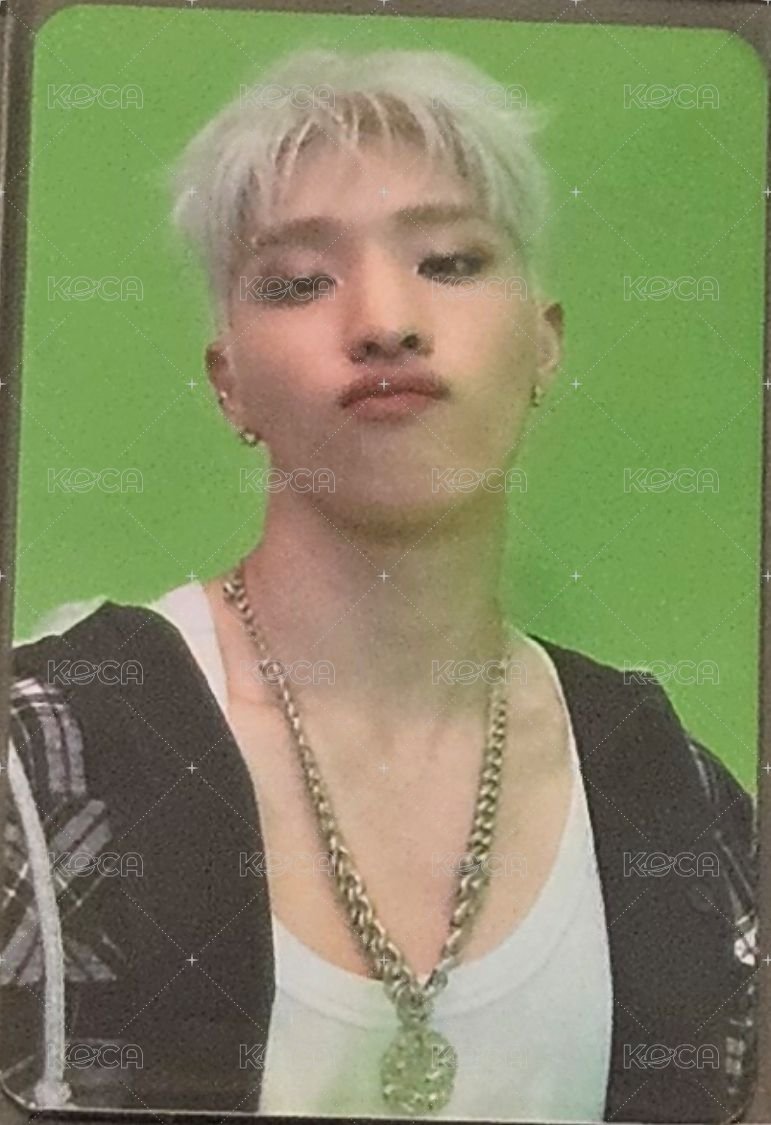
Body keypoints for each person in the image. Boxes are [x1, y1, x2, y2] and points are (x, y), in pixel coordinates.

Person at [2, 46, 758, 1123]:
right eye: (299, 281)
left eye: (449, 260)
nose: (384, 321)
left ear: (543, 345)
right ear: (228, 381)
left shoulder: (678, 799)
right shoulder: (42, 761)